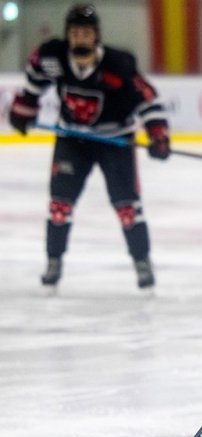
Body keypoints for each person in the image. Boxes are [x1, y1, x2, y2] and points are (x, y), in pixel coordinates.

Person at [9, 4, 171, 292]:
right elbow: (33, 85)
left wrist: (158, 133)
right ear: (67, 35)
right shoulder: (52, 57)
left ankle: (141, 261)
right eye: (74, 33)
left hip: (115, 141)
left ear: (95, 36)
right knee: (59, 205)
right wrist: (23, 110)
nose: (79, 38)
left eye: (85, 33)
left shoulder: (118, 64)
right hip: (73, 139)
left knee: (128, 209)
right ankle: (54, 262)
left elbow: (147, 99)